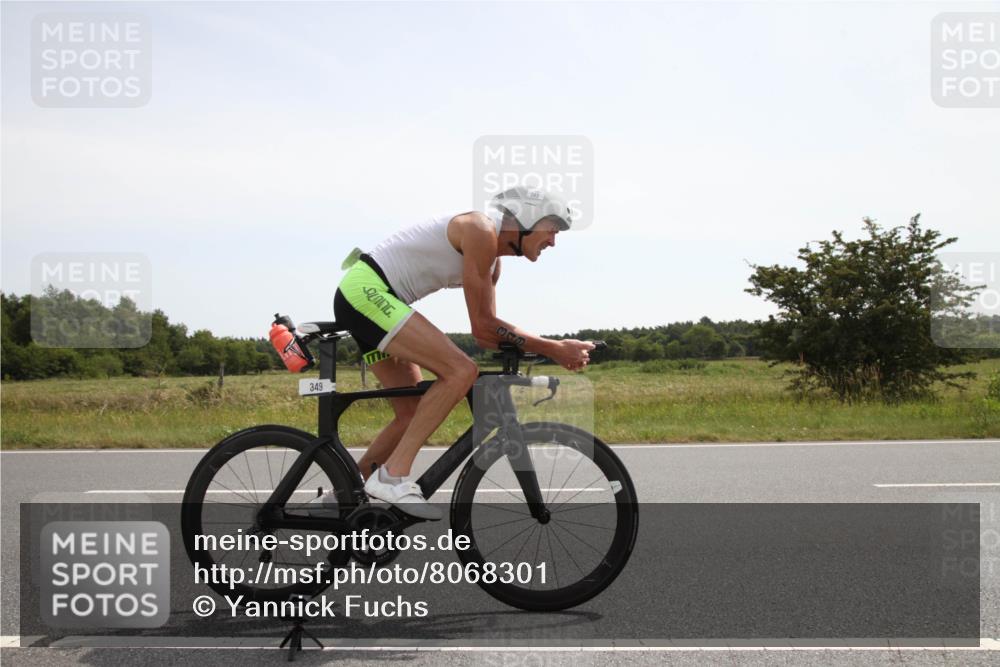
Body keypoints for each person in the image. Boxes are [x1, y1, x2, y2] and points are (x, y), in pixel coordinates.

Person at [330, 186, 594, 520]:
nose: (553, 241)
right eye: (552, 229)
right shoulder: (480, 230)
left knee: (410, 410)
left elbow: (488, 334)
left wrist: (544, 349)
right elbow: (484, 327)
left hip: (374, 300)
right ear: (529, 217)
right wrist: (553, 348)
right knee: (460, 371)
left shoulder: (493, 262)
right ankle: (392, 476)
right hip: (367, 293)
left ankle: (343, 497)